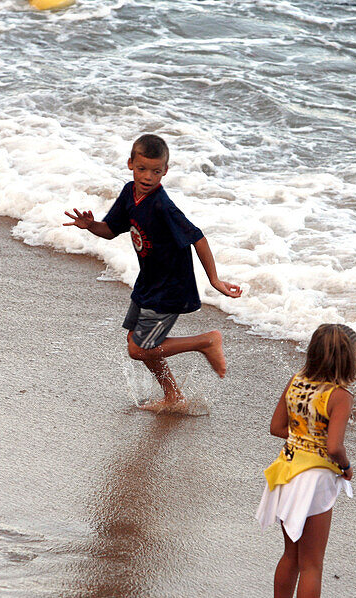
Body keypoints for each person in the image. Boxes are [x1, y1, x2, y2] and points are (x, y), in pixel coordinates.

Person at [63, 134, 243, 411]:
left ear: (165, 171)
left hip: (170, 287)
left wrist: (214, 280)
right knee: (137, 340)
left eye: (156, 171)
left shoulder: (162, 206)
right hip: (148, 282)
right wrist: (90, 225)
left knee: (138, 348)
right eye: (142, 169)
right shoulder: (129, 193)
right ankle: (173, 395)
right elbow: (111, 231)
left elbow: (198, 237)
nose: (148, 177)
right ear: (130, 164)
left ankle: (206, 341)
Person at [257, 324, 356, 598]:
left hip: (286, 472)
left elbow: (277, 427)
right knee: (313, 563)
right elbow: (333, 447)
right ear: (347, 360)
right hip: (313, 481)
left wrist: (301, 441)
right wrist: (346, 467)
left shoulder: (296, 382)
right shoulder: (340, 396)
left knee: (291, 555)